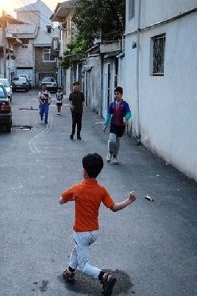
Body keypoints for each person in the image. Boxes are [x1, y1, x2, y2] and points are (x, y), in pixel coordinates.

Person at [59, 153, 136, 296]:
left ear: (85, 171)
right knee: (78, 249)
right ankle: (69, 272)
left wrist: (70, 198)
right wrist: (129, 200)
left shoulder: (77, 188)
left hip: (81, 232)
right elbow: (114, 207)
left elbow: (61, 200)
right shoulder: (101, 190)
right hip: (94, 233)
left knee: (84, 265)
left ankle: (105, 277)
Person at [103, 87, 131, 165]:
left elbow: (129, 113)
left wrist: (126, 118)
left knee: (117, 142)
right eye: (115, 94)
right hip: (113, 124)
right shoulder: (112, 105)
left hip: (121, 126)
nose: (116, 95)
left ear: (121, 94)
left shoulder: (125, 104)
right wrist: (105, 124)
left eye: (118, 94)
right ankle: (110, 153)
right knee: (112, 140)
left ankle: (115, 156)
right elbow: (108, 115)